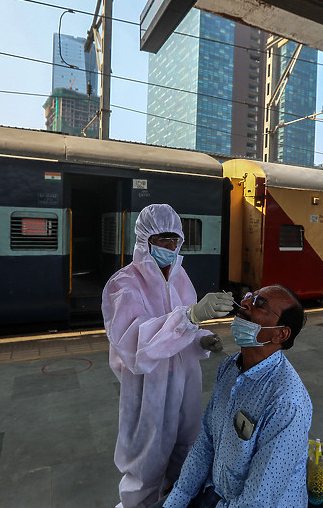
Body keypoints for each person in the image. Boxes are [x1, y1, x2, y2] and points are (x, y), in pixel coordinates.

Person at [102, 204, 234, 508]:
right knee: (146, 465)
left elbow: (183, 329)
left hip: (185, 382)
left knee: (185, 454)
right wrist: (190, 316)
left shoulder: (180, 277)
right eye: (164, 240)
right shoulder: (123, 284)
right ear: (145, 240)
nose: (171, 247)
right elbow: (135, 345)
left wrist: (202, 338)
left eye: (176, 240)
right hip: (149, 387)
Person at [162, 285, 312, 508]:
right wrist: (178, 498)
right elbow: (206, 442)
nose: (245, 303)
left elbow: (257, 501)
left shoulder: (286, 402)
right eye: (250, 297)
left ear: (281, 333)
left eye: (260, 304)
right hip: (216, 492)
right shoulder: (229, 367)